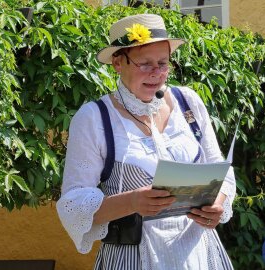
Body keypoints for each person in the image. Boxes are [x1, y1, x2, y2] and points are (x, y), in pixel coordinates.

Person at [56, 14, 236, 270]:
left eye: (163, 63)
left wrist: (218, 203)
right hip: (134, 258)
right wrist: (131, 202)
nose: (157, 73)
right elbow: (73, 206)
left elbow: (220, 167)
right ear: (118, 63)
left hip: (197, 255)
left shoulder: (189, 102)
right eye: (145, 64)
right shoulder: (93, 118)